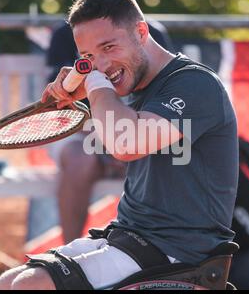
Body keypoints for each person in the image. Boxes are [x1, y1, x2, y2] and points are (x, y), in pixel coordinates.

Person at [0, 0, 238, 290]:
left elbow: (125, 143)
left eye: (109, 46)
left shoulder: (195, 84)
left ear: (141, 31)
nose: (101, 63)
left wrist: (95, 81)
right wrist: (89, 89)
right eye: (87, 57)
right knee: (9, 282)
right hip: (130, 235)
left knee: (30, 286)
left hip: (179, 254)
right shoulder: (133, 83)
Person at [46, 19, 174, 244]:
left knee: (169, 156)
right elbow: (62, 103)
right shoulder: (66, 33)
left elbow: (161, 103)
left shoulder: (151, 32)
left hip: (136, 129)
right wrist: (107, 140)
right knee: (79, 159)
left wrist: (125, 140)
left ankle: (160, 252)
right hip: (84, 132)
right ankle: (67, 253)